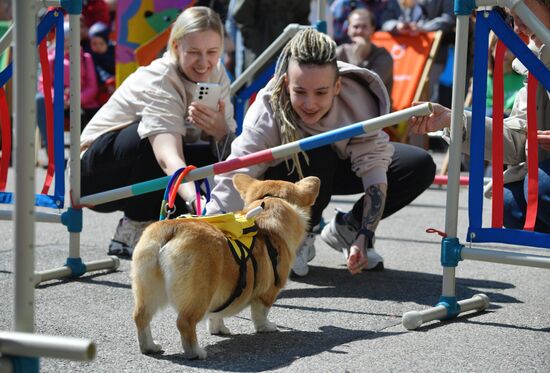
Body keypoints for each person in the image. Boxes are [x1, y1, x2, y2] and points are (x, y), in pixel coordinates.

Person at [205, 28, 435, 277]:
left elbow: (374, 169)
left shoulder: (361, 101)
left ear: (337, 86)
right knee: (316, 148)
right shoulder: (268, 110)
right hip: (287, 176)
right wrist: (210, 231)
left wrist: (364, 235)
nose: (310, 104)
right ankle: (299, 234)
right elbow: (237, 173)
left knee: (418, 163)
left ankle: (348, 229)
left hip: (341, 167)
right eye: (300, 92)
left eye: (321, 92)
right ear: (286, 85)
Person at [79, 6, 237, 257]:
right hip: (90, 176)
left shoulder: (217, 74)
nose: (204, 62)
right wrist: (198, 203)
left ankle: (175, 227)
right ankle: (134, 225)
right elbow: (167, 156)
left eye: (212, 52)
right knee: (152, 139)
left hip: (146, 168)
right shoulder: (161, 77)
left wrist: (220, 131)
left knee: (215, 154)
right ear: (176, 46)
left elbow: (230, 154)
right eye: (194, 52)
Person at [409, 0, 550, 232]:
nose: (517, 27)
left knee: (542, 186)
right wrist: (452, 119)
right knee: (510, 202)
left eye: (523, 11)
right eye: (513, 16)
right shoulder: (535, 59)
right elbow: (517, 140)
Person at [336, 8, 394, 97]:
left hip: (377, 109)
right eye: (356, 27)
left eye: (364, 27)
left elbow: (370, 88)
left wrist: (357, 59)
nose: (359, 31)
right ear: (348, 29)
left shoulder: (383, 56)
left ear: (372, 29)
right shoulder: (339, 52)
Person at [330, 0, 402, 44]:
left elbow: (389, 21)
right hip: (348, 53)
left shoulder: (388, 2)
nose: (360, 30)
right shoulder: (343, 4)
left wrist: (395, 26)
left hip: (377, 51)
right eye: (356, 27)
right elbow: (336, 35)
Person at [87, 21, 116, 105]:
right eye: (94, 44)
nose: (98, 47)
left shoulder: (114, 54)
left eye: (101, 43)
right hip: (100, 95)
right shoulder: (91, 57)